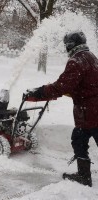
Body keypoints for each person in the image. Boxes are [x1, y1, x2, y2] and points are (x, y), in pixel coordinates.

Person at [26, 31, 98, 187]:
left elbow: (61, 86)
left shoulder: (76, 60)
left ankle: (84, 176)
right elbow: (85, 84)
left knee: (79, 139)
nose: (66, 47)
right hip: (89, 112)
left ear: (71, 45)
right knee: (78, 140)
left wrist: (39, 92)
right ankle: (84, 176)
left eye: (67, 44)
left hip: (90, 112)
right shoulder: (90, 56)